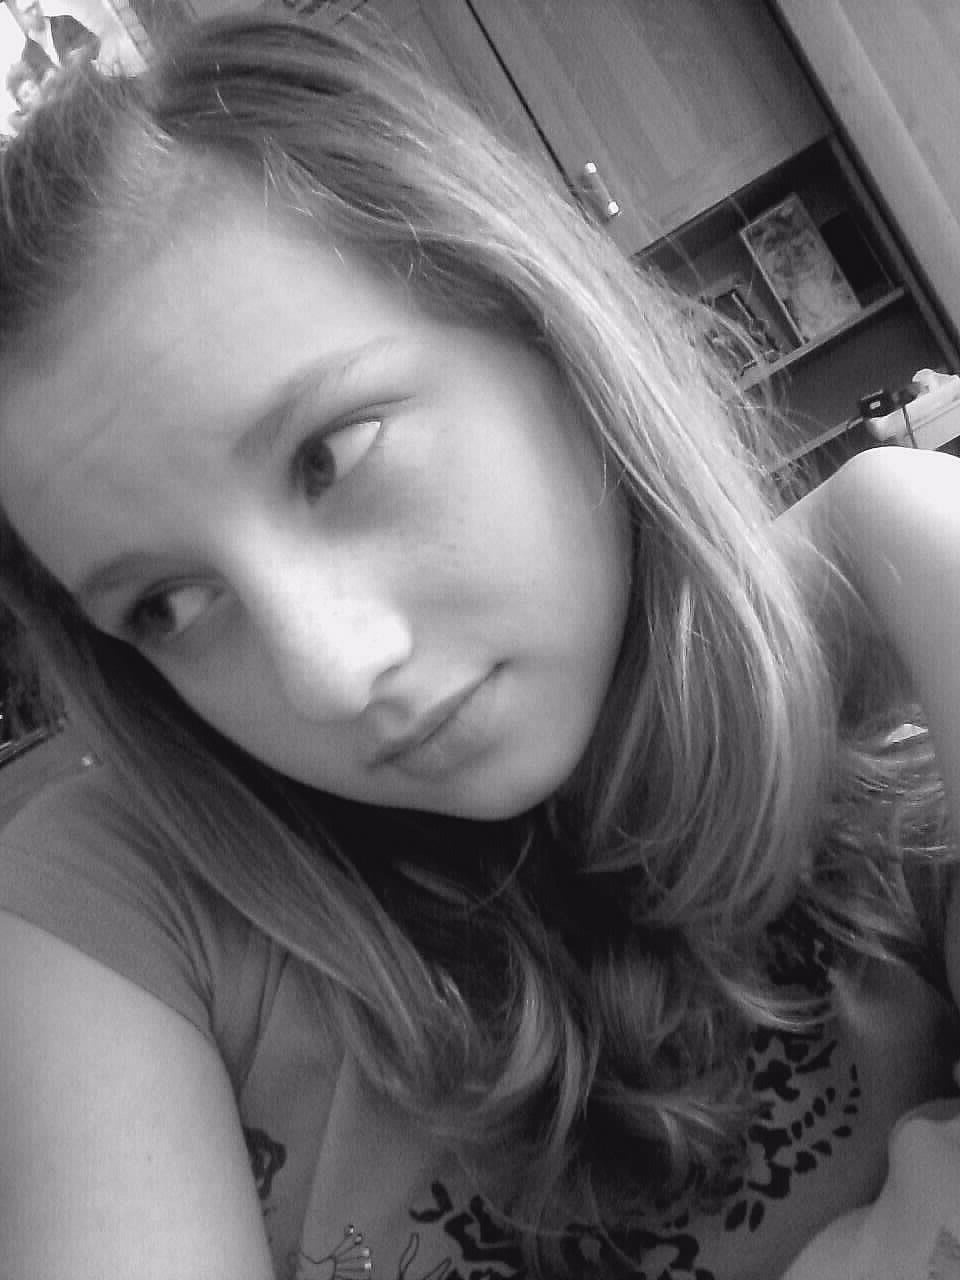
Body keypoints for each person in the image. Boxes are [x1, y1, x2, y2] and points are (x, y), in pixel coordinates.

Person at [0, 12, 958, 1280]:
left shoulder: (868, 661)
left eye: (331, 455)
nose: (327, 676)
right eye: (166, 605)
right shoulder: (104, 913)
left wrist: (904, 517)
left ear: (539, 322)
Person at [14, 0, 100, 83]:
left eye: (34, 6)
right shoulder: (28, 56)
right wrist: (47, 81)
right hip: (66, 93)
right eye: (28, 10)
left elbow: (94, 41)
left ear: (39, 5)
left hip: (92, 83)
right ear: (21, 17)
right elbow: (38, 87)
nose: (34, 12)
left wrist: (83, 53)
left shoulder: (64, 22)